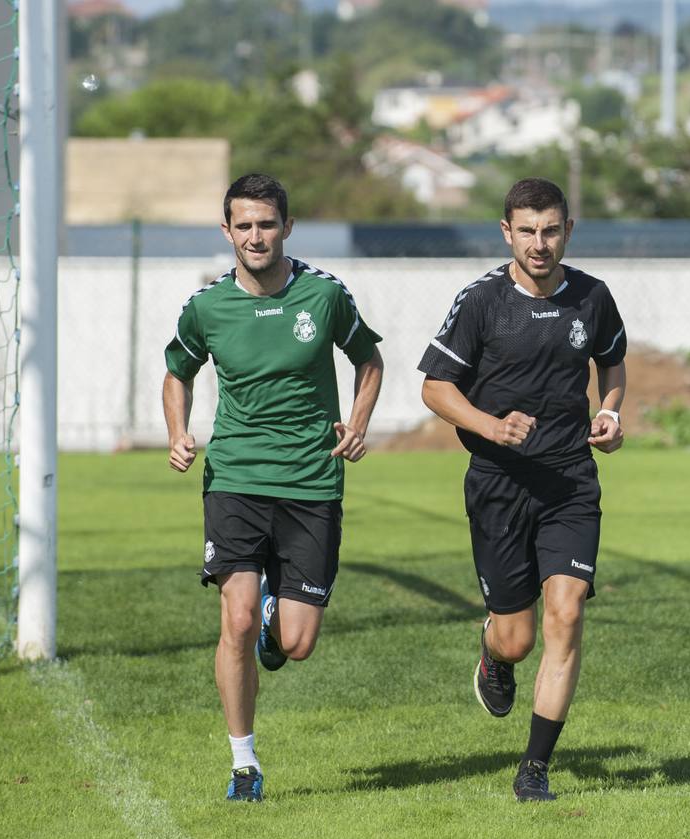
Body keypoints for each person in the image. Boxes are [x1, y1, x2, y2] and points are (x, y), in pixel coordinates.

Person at [163, 173, 384, 802]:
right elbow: (175, 373)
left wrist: (359, 422)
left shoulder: (323, 297)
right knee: (232, 620)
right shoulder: (206, 307)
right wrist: (178, 431)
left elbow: (369, 360)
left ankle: (274, 617)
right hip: (234, 477)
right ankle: (244, 764)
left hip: (312, 481)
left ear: (287, 228)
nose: (255, 236)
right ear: (227, 231)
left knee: (298, 643)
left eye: (267, 224)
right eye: (244, 225)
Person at [417, 177, 628, 802]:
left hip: (569, 484)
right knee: (519, 636)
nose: (540, 243)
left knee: (566, 613)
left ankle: (534, 769)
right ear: (507, 232)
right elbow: (434, 387)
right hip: (498, 485)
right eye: (528, 231)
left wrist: (611, 412)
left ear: (568, 231)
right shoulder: (482, 301)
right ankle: (493, 654)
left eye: (552, 230)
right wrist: (490, 426)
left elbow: (611, 360)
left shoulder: (593, 297)